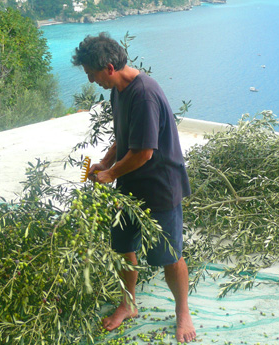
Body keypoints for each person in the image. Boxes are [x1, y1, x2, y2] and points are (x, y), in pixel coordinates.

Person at [72, 32, 196, 343]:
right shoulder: (118, 89)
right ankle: (128, 304)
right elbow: (124, 135)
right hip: (130, 186)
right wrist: (105, 162)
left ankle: (182, 311)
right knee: (123, 247)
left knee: (169, 255)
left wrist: (111, 174)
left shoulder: (144, 94)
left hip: (160, 187)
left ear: (109, 67)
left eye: (91, 74)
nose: (91, 80)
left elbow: (144, 152)